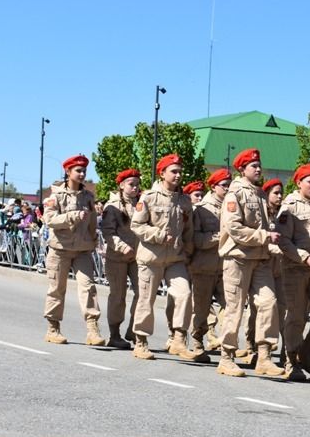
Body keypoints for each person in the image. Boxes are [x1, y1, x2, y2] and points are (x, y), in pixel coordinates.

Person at [217, 149, 285, 378]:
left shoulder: (259, 194)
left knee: (268, 303)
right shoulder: (234, 194)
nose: (258, 169)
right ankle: (227, 357)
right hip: (237, 258)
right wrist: (264, 236)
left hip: (260, 259)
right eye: (253, 166)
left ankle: (264, 355)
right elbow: (233, 228)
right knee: (234, 308)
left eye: (259, 165)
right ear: (242, 169)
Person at [129, 154, 197, 361]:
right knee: (146, 300)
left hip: (175, 259)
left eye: (180, 171)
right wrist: (158, 235)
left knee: (184, 294)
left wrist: (187, 250)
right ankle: (140, 341)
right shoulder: (149, 197)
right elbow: (136, 225)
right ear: (162, 173)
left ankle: (178, 339)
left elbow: (189, 230)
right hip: (151, 257)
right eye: (173, 171)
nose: (178, 175)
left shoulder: (184, 200)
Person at [276, 164, 310, 381]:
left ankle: (306, 348)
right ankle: (291, 361)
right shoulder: (289, 206)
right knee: (297, 317)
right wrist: (305, 257)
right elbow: (283, 241)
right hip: (295, 268)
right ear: (299, 183)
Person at [42, 154, 105, 346]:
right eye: (78, 170)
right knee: (57, 289)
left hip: (83, 250)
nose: (82, 174)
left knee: (88, 287)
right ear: (68, 172)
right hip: (60, 249)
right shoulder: (56, 196)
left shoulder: (88, 196)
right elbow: (50, 220)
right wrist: (71, 216)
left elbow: (92, 221)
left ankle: (92, 330)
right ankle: (53, 328)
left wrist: (94, 239)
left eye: (84, 170)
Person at [189, 168, 231, 363]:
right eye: (224, 185)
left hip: (226, 267)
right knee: (202, 308)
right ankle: (197, 341)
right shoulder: (201, 209)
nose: (228, 188)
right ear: (214, 187)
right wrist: (219, 237)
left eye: (229, 184)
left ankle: (226, 342)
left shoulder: (232, 207)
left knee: (230, 306)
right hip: (204, 266)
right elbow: (196, 239)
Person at [100, 167, 141, 349]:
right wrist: (123, 247)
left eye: (137, 185)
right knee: (118, 295)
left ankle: (134, 329)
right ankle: (114, 334)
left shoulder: (142, 202)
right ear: (122, 185)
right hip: (117, 257)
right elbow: (108, 233)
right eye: (131, 184)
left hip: (138, 256)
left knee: (143, 293)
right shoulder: (112, 206)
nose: (135, 188)